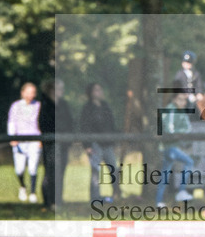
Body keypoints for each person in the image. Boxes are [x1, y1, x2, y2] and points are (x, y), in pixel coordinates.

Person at [80, 83, 121, 203]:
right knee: (95, 172)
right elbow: (84, 127)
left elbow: (111, 124)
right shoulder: (87, 108)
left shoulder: (105, 106)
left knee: (113, 169)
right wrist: (87, 145)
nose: (99, 92)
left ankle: (116, 193)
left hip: (107, 144)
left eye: (100, 89)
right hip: (94, 144)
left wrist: (114, 140)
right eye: (96, 90)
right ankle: (95, 197)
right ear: (91, 92)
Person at [39, 78, 75, 209]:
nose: (62, 91)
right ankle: (49, 201)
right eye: (59, 88)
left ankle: (58, 200)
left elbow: (70, 122)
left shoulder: (64, 104)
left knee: (61, 172)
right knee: (51, 173)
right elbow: (43, 124)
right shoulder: (45, 104)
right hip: (51, 144)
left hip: (63, 144)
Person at [156, 91, 195, 208]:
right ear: (174, 99)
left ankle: (158, 201)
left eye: (184, 100)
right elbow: (170, 130)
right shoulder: (171, 110)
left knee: (165, 174)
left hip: (172, 146)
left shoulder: (180, 111)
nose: (183, 102)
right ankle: (181, 191)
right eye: (180, 99)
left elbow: (188, 128)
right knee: (189, 162)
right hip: (169, 147)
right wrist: (180, 132)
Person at [7, 82, 41, 203]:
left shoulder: (38, 106)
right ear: (23, 93)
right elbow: (12, 122)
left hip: (34, 139)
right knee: (19, 169)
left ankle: (32, 192)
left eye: (33, 92)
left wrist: (41, 139)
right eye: (28, 92)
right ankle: (22, 186)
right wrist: (12, 138)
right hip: (20, 140)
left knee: (33, 167)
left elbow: (40, 122)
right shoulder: (16, 106)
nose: (31, 95)